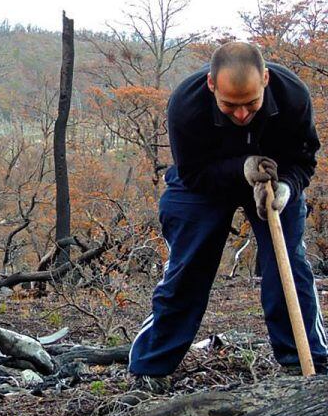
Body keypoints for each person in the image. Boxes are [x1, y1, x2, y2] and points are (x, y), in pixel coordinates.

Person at [128, 41, 328, 392]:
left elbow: (305, 160)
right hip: (204, 184)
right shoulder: (186, 106)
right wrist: (243, 168)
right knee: (188, 266)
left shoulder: (293, 95)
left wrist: (287, 188)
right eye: (230, 105)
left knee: (289, 267)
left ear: (265, 79)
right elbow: (192, 174)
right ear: (211, 85)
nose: (241, 115)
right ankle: (151, 367)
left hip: (274, 178)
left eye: (251, 104)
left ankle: (306, 362)